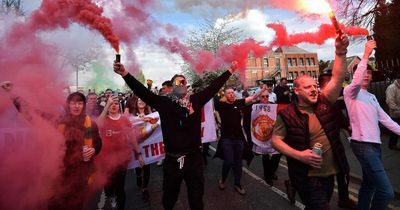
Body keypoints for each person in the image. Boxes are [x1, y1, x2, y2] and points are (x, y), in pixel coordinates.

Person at [113, 60, 238, 210]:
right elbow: (143, 92)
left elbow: (213, 87)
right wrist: (125, 74)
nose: (181, 84)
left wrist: (230, 70)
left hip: (194, 159)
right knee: (169, 199)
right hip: (173, 160)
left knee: (196, 199)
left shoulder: (195, 100)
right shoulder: (164, 103)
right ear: (172, 87)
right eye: (177, 83)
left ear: (186, 85)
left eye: (183, 82)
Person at [271, 34, 350, 210]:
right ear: (297, 91)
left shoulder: (324, 101)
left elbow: (337, 78)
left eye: (315, 86)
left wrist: (340, 52)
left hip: (331, 174)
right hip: (307, 177)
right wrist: (300, 155)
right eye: (308, 87)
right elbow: (275, 140)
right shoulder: (287, 114)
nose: (314, 90)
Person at [344, 40, 400, 210]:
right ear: (356, 75)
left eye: (369, 73)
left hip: (375, 146)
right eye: (364, 72)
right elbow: (355, 82)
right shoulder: (350, 92)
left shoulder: (372, 97)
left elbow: (387, 120)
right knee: (387, 192)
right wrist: (366, 54)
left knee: (369, 186)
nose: (367, 75)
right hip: (362, 145)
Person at [49, 92, 102, 210]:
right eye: (73, 103)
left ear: (84, 105)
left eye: (80, 103)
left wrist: (93, 149)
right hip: (61, 173)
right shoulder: (60, 122)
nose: (76, 106)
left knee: (77, 205)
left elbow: (98, 143)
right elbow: (33, 116)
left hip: (82, 174)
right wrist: (13, 96)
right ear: (68, 105)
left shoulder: (90, 124)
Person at [215, 85, 267, 195]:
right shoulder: (221, 105)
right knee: (228, 160)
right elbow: (214, 102)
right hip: (226, 138)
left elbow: (251, 98)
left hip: (238, 138)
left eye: (232, 92)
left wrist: (261, 90)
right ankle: (223, 180)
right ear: (224, 95)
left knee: (238, 162)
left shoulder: (238, 103)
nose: (231, 94)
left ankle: (237, 184)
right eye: (228, 93)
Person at [97, 95, 144, 210]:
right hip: (107, 160)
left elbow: (132, 137)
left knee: (120, 187)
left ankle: (120, 206)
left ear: (119, 106)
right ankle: (110, 196)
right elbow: (97, 125)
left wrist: (138, 154)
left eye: (116, 103)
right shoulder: (104, 119)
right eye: (111, 104)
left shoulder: (124, 119)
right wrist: (106, 106)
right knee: (108, 185)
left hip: (122, 159)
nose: (114, 106)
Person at [318, 71, 356, 209]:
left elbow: (343, 122)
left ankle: (343, 199)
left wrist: (350, 129)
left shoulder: (332, 103)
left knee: (343, 172)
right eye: (332, 83)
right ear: (325, 85)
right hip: (321, 150)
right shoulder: (315, 103)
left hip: (336, 146)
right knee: (324, 180)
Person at [125, 96, 158, 201]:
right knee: (138, 165)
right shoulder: (132, 116)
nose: (141, 101)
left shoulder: (152, 114)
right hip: (137, 145)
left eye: (143, 100)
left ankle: (145, 189)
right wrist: (140, 119)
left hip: (148, 145)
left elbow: (157, 123)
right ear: (136, 103)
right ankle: (138, 176)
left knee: (147, 165)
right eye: (139, 100)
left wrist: (148, 119)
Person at [385, 74, 400, 150]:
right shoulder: (391, 88)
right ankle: (392, 145)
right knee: (394, 130)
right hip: (395, 113)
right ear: (398, 79)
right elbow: (390, 102)